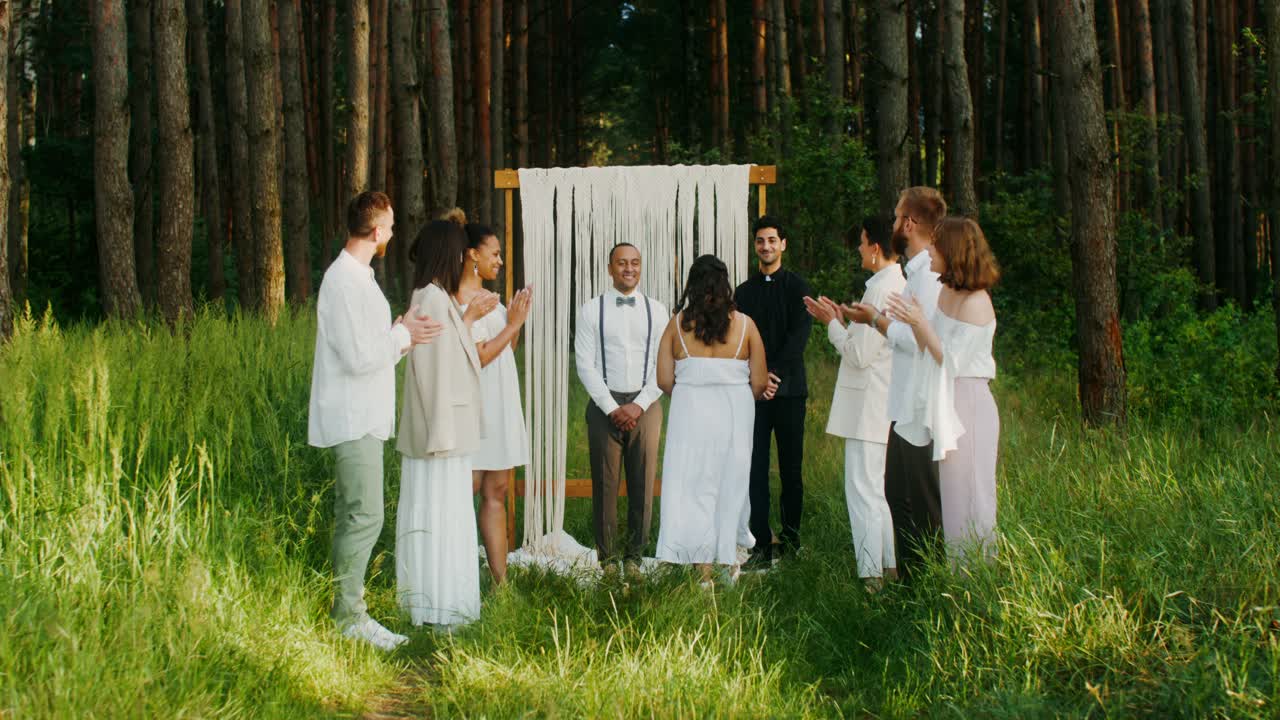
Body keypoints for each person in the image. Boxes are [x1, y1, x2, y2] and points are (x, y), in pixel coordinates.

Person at [308, 191, 443, 651]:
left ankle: (345, 611)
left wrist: (402, 336)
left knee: (356, 515)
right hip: (353, 416)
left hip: (365, 413)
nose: (393, 234)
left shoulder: (359, 277)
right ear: (378, 230)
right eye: (391, 226)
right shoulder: (343, 280)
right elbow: (358, 357)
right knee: (365, 516)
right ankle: (350, 618)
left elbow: (371, 349)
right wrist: (402, 334)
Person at [395, 219, 498, 628]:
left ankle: (435, 601)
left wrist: (467, 320)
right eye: (458, 253)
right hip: (442, 431)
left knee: (441, 515)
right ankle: (442, 604)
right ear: (447, 254)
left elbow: (447, 353)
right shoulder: (433, 299)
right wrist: (441, 433)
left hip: (443, 428)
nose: (462, 261)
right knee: (442, 515)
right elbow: (435, 370)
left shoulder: (432, 295)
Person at [846, 187, 947, 582]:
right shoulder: (915, 274)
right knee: (897, 495)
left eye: (895, 217)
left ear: (909, 223)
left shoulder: (931, 275)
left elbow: (922, 340)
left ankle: (928, 584)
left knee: (922, 503)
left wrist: (875, 320)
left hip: (920, 404)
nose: (891, 224)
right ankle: (908, 582)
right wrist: (877, 319)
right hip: (902, 403)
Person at [886, 216, 1000, 565]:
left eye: (936, 245)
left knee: (972, 494)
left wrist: (920, 322)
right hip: (947, 397)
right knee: (951, 497)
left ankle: (979, 574)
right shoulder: (948, 293)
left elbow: (950, 361)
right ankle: (955, 573)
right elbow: (929, 348)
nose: (930, 251)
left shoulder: (977, 301)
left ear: (953, 251)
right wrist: (916, 322)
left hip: (970, 402)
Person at [803, 216, 906, 590]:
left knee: (863, 493)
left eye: (862, 243)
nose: (859, 249)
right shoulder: (895, 283)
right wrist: (841, 321)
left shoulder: (879, 290)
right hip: (883, 403)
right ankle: (890, 570)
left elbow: (859, 355)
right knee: (877, 494)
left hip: (869, 407)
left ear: (875, 248)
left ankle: (871, 578)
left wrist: (831, 324)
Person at [654, 255, 769, 586]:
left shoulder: (676, 325)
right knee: (730, 485)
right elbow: (760, 383)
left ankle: (701, 572)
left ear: (692, 285)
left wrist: (693, 391)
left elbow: (664, 380)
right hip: (734, 416)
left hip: (690, 416)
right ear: (725, 284)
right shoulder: (746, 326)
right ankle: (728, 563)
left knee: (692, 487)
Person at [574, 243, 668, 572]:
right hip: (605, 404)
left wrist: (639, 405)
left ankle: (635, 558)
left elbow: (663, 363)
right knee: (605, 484)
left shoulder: (657, 310)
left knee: (643, 484)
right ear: (610, 268)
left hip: (646, 403)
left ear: (641, 267)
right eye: (622, 263)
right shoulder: (591, 310)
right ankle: (609, 560)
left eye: (635, 263)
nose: (629, 268)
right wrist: (612, 407)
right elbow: (584, 364)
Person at [457, 220, 533, 585]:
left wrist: (515, 320)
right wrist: (513, 325)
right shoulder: (459, 301)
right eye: (495, 253)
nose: (500, 261)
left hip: (502, 402)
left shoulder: (493, 299)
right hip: (475, 408)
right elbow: (479, 357)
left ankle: (500, 582)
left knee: (497, 491)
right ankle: (457, 576)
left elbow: (506, 351)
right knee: (466, 489)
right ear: (473, 254)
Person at [734, 215, 813, 569]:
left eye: (771, 240)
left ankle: (792, 541)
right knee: (755, 469)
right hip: (754, 393)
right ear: (755, 246)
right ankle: (761, 545)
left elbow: (799, 338)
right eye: (760, 241)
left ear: (783, 244)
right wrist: (758, 379)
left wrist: (773, 375)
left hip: (790, 391)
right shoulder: (743, 292)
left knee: (791, 469)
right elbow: (739, 340)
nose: (765, 246)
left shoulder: (799, 288)